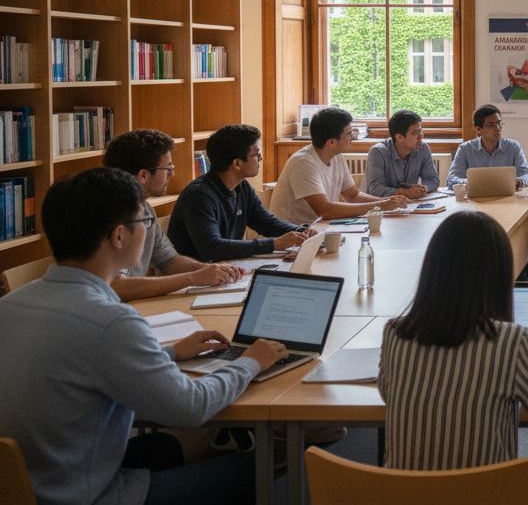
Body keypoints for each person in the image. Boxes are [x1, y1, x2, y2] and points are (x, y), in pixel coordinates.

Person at [0, 167, 288, 505]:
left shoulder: (12, 304)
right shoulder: (111, 321)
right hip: (83, 494)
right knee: (263, 464)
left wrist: (169, 353)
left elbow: (82, 362)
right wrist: (250, 362)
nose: (150, 230)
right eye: (146, 223)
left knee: (164, 446)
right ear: (119, 236)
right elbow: (191, 408)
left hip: (28, 480)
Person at [379, 211, 528, 505]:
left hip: (406, 497)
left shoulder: (395, 334)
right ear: (499, 276)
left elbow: (389, 392)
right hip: (483, 495)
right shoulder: (510, 341)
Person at [99, 129, 243, 301]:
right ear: (143, 175)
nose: (172, 174)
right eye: (168, 168)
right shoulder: (109, 214)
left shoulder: (145, 208)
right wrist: (193, 278)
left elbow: (168, 261)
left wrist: (209, 270)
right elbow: (115, 287)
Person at [168, 124, 314, 262]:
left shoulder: (241, 186)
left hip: (224, 269)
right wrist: (274, 244)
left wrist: (302, 232)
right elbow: (212, 248)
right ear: (237, 163)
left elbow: (265, 223)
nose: (261, 158)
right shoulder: (199, 196)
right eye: (256, 155)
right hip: (194, 278)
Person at [269, 107, 409, 225]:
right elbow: (325, 210)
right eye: (348, 134)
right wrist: (380, 206)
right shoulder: (303, 163)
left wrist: (389, 201)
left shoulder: (336, 156)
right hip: (291, 238)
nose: (352, 137)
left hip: (319, 229)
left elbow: (352, 195)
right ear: (331, 142)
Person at [447, 104, 528, 191]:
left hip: (506, 199)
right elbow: (451, 180)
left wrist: (520, 181)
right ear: (478, 129)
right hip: (476, 200)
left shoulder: (513, 147)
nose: (497, 128)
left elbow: (527, 175)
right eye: (491, 125)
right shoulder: (465, 149)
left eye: (499, 123)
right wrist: (471, 183)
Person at [365, 110, 440, 198]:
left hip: (409, 205)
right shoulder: (378, 152)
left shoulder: (423, 149)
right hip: (380, 207)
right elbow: (374, 189)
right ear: (399, 137)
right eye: (415, 133)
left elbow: (433, 180)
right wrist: (404, 192)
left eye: (420, 131)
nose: (421, 136)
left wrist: (424, 188)